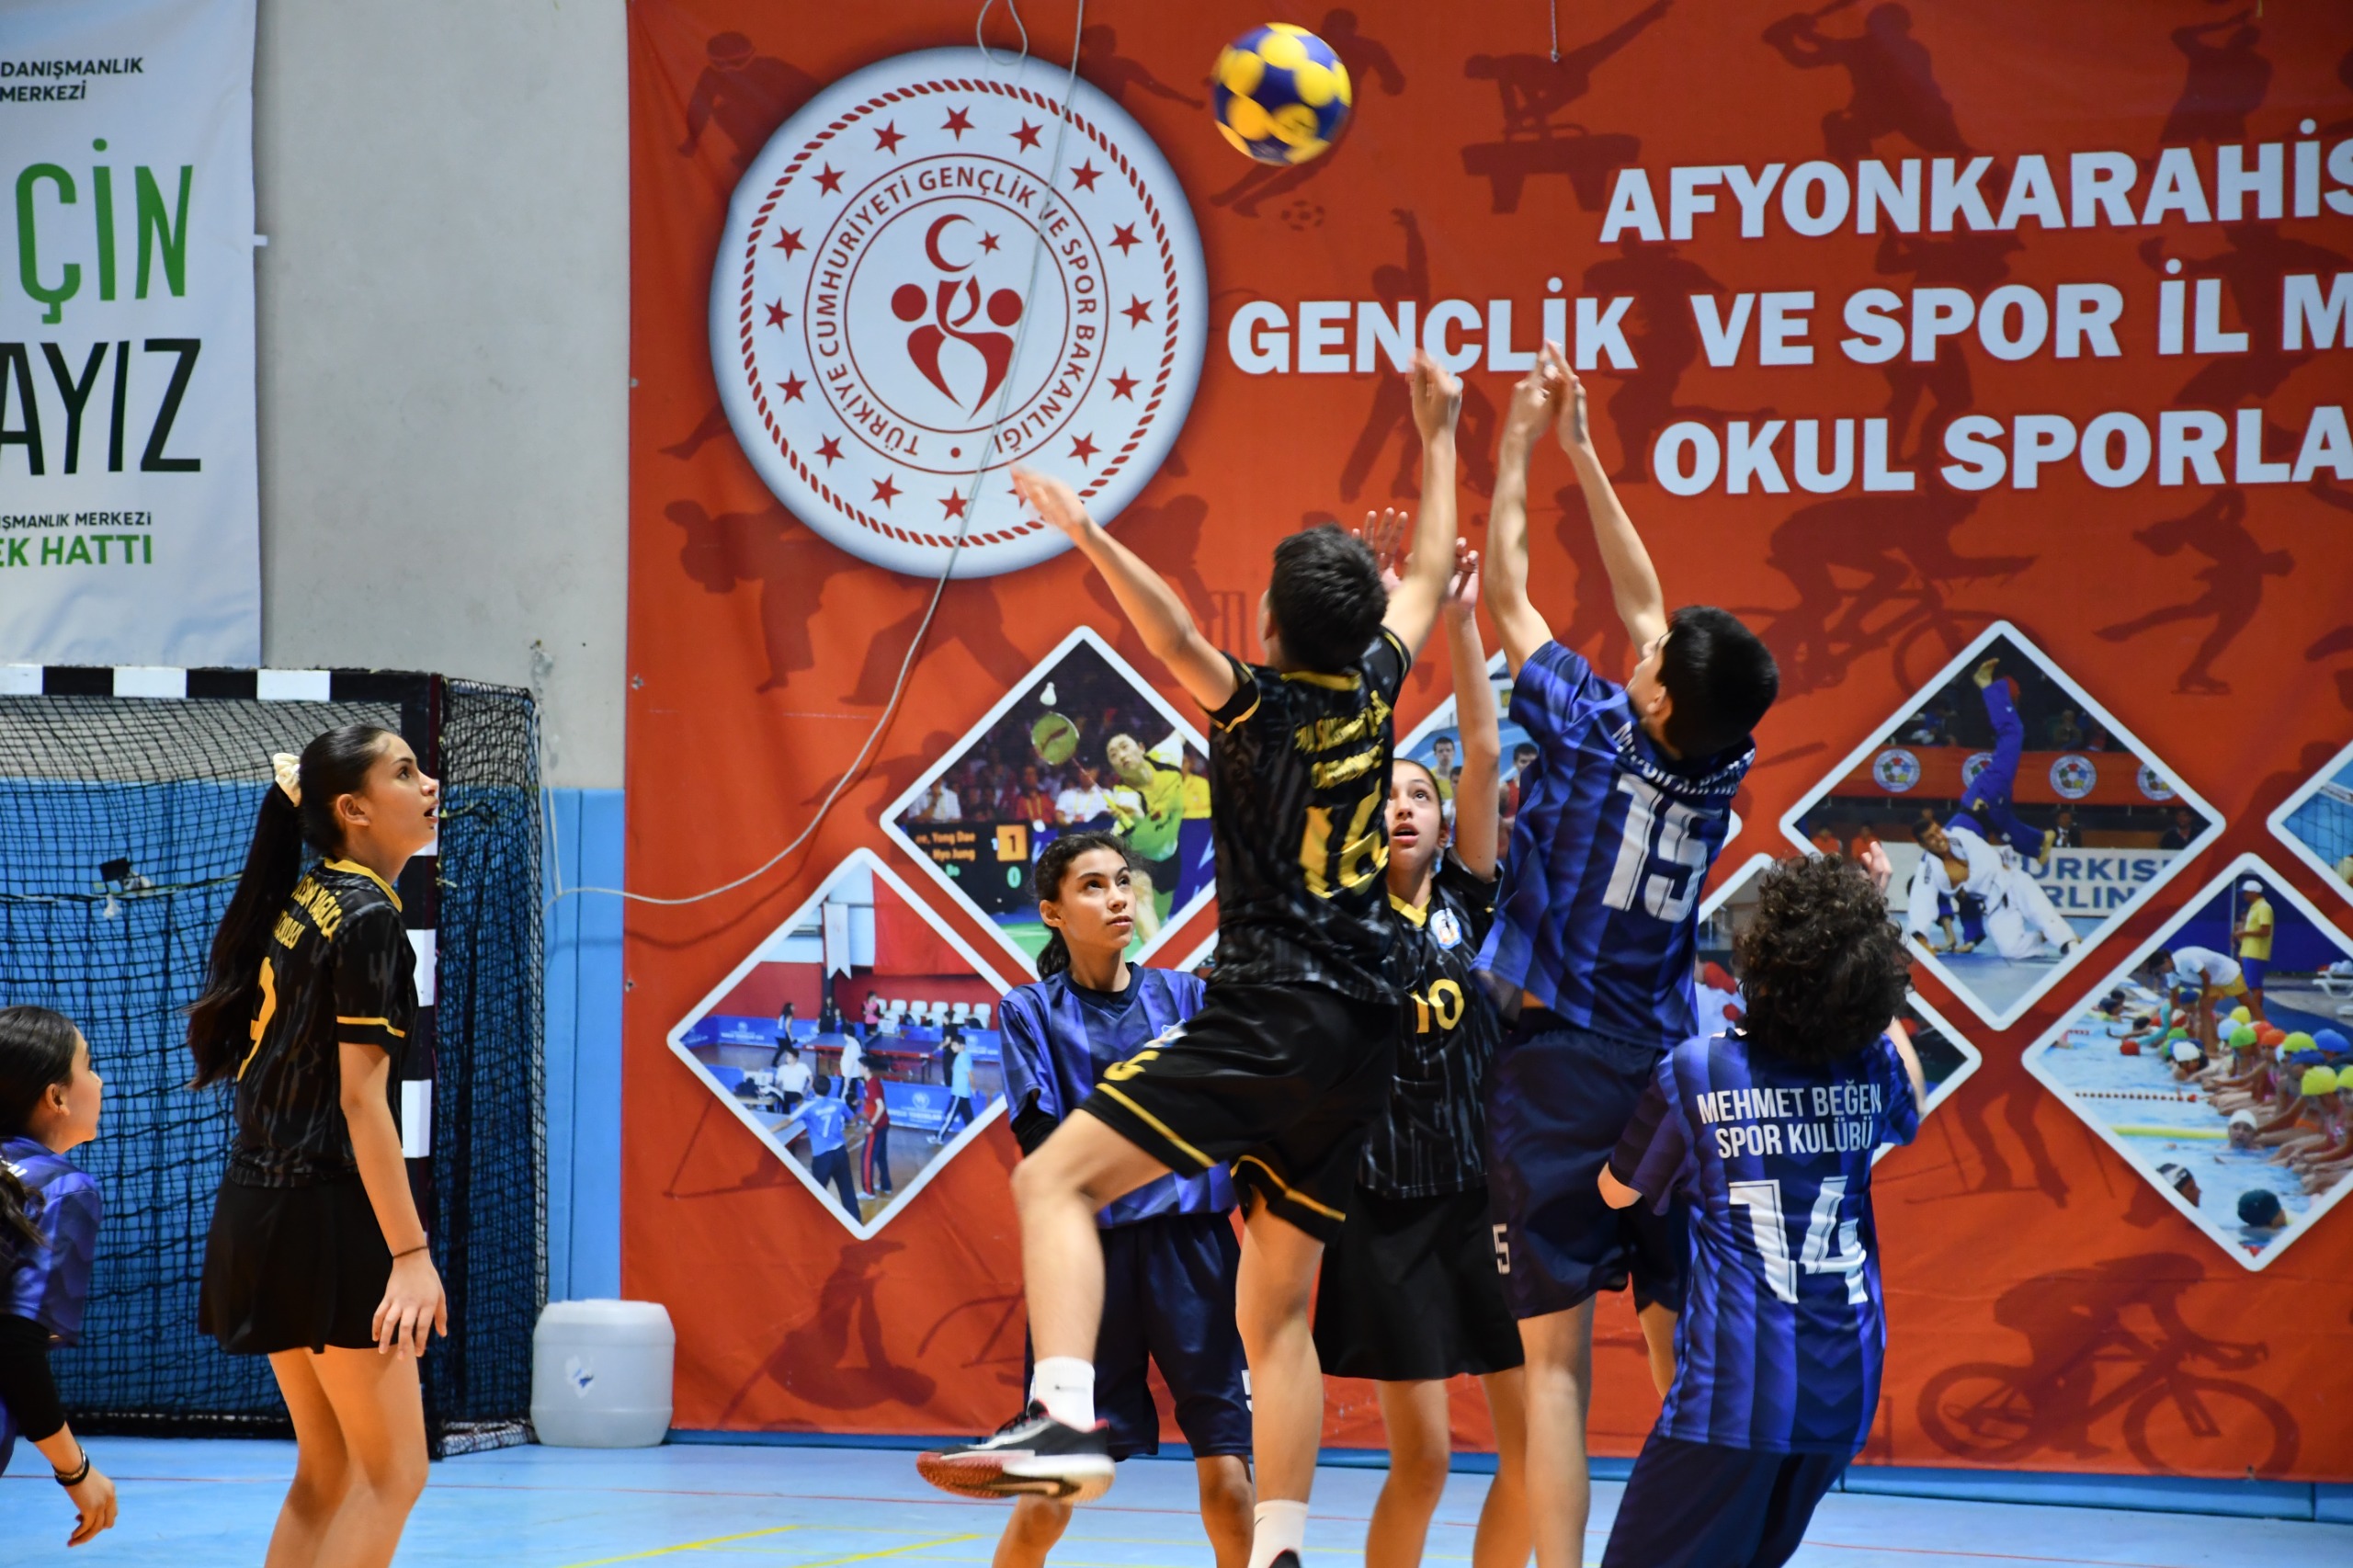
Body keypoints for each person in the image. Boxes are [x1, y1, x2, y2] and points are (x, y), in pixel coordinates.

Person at [920, 345, 1466, 1568]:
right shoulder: (1376, 691)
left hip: (1276, 1008)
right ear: (1362, 628)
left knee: (1052, 1183)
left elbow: (1164, 622)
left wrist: (1083, 527)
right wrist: (1440, 434)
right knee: (1274, 1308)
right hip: (1365, 1038)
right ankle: (1280, 1546)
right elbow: (1432, 571)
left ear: (1269, 624)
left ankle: (1063, 1414)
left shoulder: (1255, 704)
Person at [1474, 344, 1779, 1568]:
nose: (1638, 648)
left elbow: (1506, 593)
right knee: (1675, 1335)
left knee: (1552, 1366)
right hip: (1664, 1063)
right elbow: (1654, 611)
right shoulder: (1721, 759)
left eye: (1651, 660)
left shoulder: (1594, 727)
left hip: (1557, 1060)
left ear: (1655, 698)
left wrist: (1518, 443)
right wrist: (1587, 453)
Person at [1597, 851, 1924, 1568]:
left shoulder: (1699, 1068)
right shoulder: (1871, 1067)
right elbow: (1912, 1101)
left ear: (1763, 960)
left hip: (1734, 1396)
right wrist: (1869, 929)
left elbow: (1618, 1191)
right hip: (1843, 1393)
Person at [1312, 551, 1529, 1568]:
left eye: (1420, 796)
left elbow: (1481, 750)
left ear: (1446, 826)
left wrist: (1460, 619)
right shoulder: (1339, 915)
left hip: (1482, 1202)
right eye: (1386, 794)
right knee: (1426, 1461)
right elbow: (1332, 762)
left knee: (1531, 1447)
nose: (1402, 806)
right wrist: (1373, 631)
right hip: (1382, 1207)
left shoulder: (1470, 904)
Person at [187, 728, 446, 1567]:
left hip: (260, 1204)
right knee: (394, 1474)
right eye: (405, 772)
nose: (430, 785)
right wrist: (410, 1254)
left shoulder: (316, 891)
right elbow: (362, 1102)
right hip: (323, 1215)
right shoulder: (368, 914)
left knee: (330, 1471)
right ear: (353, 809)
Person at [982, 831, 1256, 1568]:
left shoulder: (1189, 997)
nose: (1117, 898)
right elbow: (1044, 1146)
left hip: (1197, 1255)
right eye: (1093, 886)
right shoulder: (1028, 1011)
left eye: (1123, 882)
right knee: (1052, 1491)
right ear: (1053, 912)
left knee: (1232, 1483)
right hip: (1087, 1267)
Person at [1, 1006, 118, 1547]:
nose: (99, 1080)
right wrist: (76, 1471)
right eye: (87, 1065)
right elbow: (15, 1343)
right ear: (57, 1097)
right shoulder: (61, 1189)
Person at [1906, 812, 2075, 962]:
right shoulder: (1928, 868)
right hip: (1993, 901)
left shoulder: (1960, 835)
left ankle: (2070, 945)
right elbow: (1921, 902)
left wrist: (1967, 889)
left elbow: (1987, 865)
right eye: (1931, 837)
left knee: (2042, 914)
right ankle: (2045, 936)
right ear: (1923, 845)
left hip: (2012, 881)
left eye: (1938, 831)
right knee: (2011, 950)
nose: (1939, 838)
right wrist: (1920, 939)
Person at [1949, 658, 2054, 868]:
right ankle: (2040, 841)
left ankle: (1986, 685)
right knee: (2002, 821)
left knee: (2012, 733)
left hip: (1985, 796)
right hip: (1988, 801)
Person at [1105, 733, 1187, 941]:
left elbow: (1183, 731)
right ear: (1115, 768)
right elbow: (1135, 813)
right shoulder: (1124, 795)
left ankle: (1162, 944)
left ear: (1141, 748)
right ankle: (1162, 958)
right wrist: (1134, 816)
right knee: (1140, 893)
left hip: (1168, 852)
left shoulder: (1166, 756)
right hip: (1134, 854)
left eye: (1124, 747)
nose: (1121, 755)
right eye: (1113, 755)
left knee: (1161, 916)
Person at [2147, 946, 2247, 1052]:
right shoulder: (2171, 973)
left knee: (2245, 1002)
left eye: (2161, 969)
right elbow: (2174, 997)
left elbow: (2206, 977)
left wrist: (2204, 996)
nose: (2162, 972)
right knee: (2203, 1013)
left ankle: (2211, 1048)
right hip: (2212, 981)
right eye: (2159, 971)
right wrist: (2170, 1020)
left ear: (2167, 961)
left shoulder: (2185, 959)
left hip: (2226, 973)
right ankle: (2211, 1048)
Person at [797, 1075, 861, 1217]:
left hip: (822, 1157)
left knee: (817, 1195)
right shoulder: (838, 1103)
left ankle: (817, 1223)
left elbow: (787, 1122)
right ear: (830, 1089)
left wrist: (768, 1131)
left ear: (813, 1088)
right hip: (840, 1153)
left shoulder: (808, 1106)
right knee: (847, 1191)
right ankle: (856, 1222)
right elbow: (854, 1120)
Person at [2233, 880, 2274, 1021]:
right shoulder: (2254, 907)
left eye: (2246, 893)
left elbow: (2265, 931)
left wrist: (2244, 933)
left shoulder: (2264, 908)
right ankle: (2255, 1015)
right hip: (2249, 952)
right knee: (2251, 985)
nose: (2244, 896)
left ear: (2254, 892)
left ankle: (2257, 1017)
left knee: (2255, 987)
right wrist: (2242, 952)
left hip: (2256, 953)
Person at [935, 1031, 977, 1145]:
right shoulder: (963, 1056)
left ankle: (939, 1137)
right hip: (963, 1093)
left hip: (959, 1093)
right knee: (969, 1119)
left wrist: (973, 1087)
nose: (952, 1047)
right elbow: (956, 1068)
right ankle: (976, 1137)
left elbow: (970, 1074)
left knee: (949, 1116)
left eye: (954, 1045)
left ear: (962, 1046)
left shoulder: (963, 1057)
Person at [861, 1069, 895, 1200]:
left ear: (866, 1068)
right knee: (881, 1157)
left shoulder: (871, 1084)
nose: (858, 1069)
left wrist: (871, 1125)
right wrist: (861, 1102)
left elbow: (880, 1107)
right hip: (883, 1124)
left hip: (876, 1127)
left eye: (860, 1067)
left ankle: (868, 1191)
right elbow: (873, 1102)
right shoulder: (874, 1081)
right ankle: (886, 1186)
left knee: (867, 1157)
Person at [1055, 761, 1112, 826]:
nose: (1085, 773)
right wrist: (1071, 823)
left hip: (1098, 829)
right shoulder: (1066, 794)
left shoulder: (1106, 793)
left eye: (1089, 770)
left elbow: (1111, 814)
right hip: (1072, 829)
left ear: (1096, 772)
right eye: (1082, 770)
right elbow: (1059, 817)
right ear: (1078, 773)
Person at [772, 1044, 812, 1113]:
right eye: (786, 1056)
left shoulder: (802, 1067)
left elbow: (811, 1079)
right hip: (784, 1092)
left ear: (795, 1058)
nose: (787, 1058)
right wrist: (778, 1089)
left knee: (786, 1098)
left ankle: (787, 1115)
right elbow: (777, 1082)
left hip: (797, 1093)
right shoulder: (782, 1068)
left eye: (789, 1056)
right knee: (774, 1095)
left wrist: (806, 1090)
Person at [769, 1001, 799, 1069]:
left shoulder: (782, 1015)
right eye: (792, 1006)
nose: (794, 1008)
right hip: (783, 1036)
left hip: (778, 1035)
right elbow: (787, 1027)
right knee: (793, 1051)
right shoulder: (789, 1016)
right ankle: (788, 1064)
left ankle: (774, 1063)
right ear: (789, 1007)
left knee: (782, 1050)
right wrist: (792, 1038)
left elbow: (780, 1024)